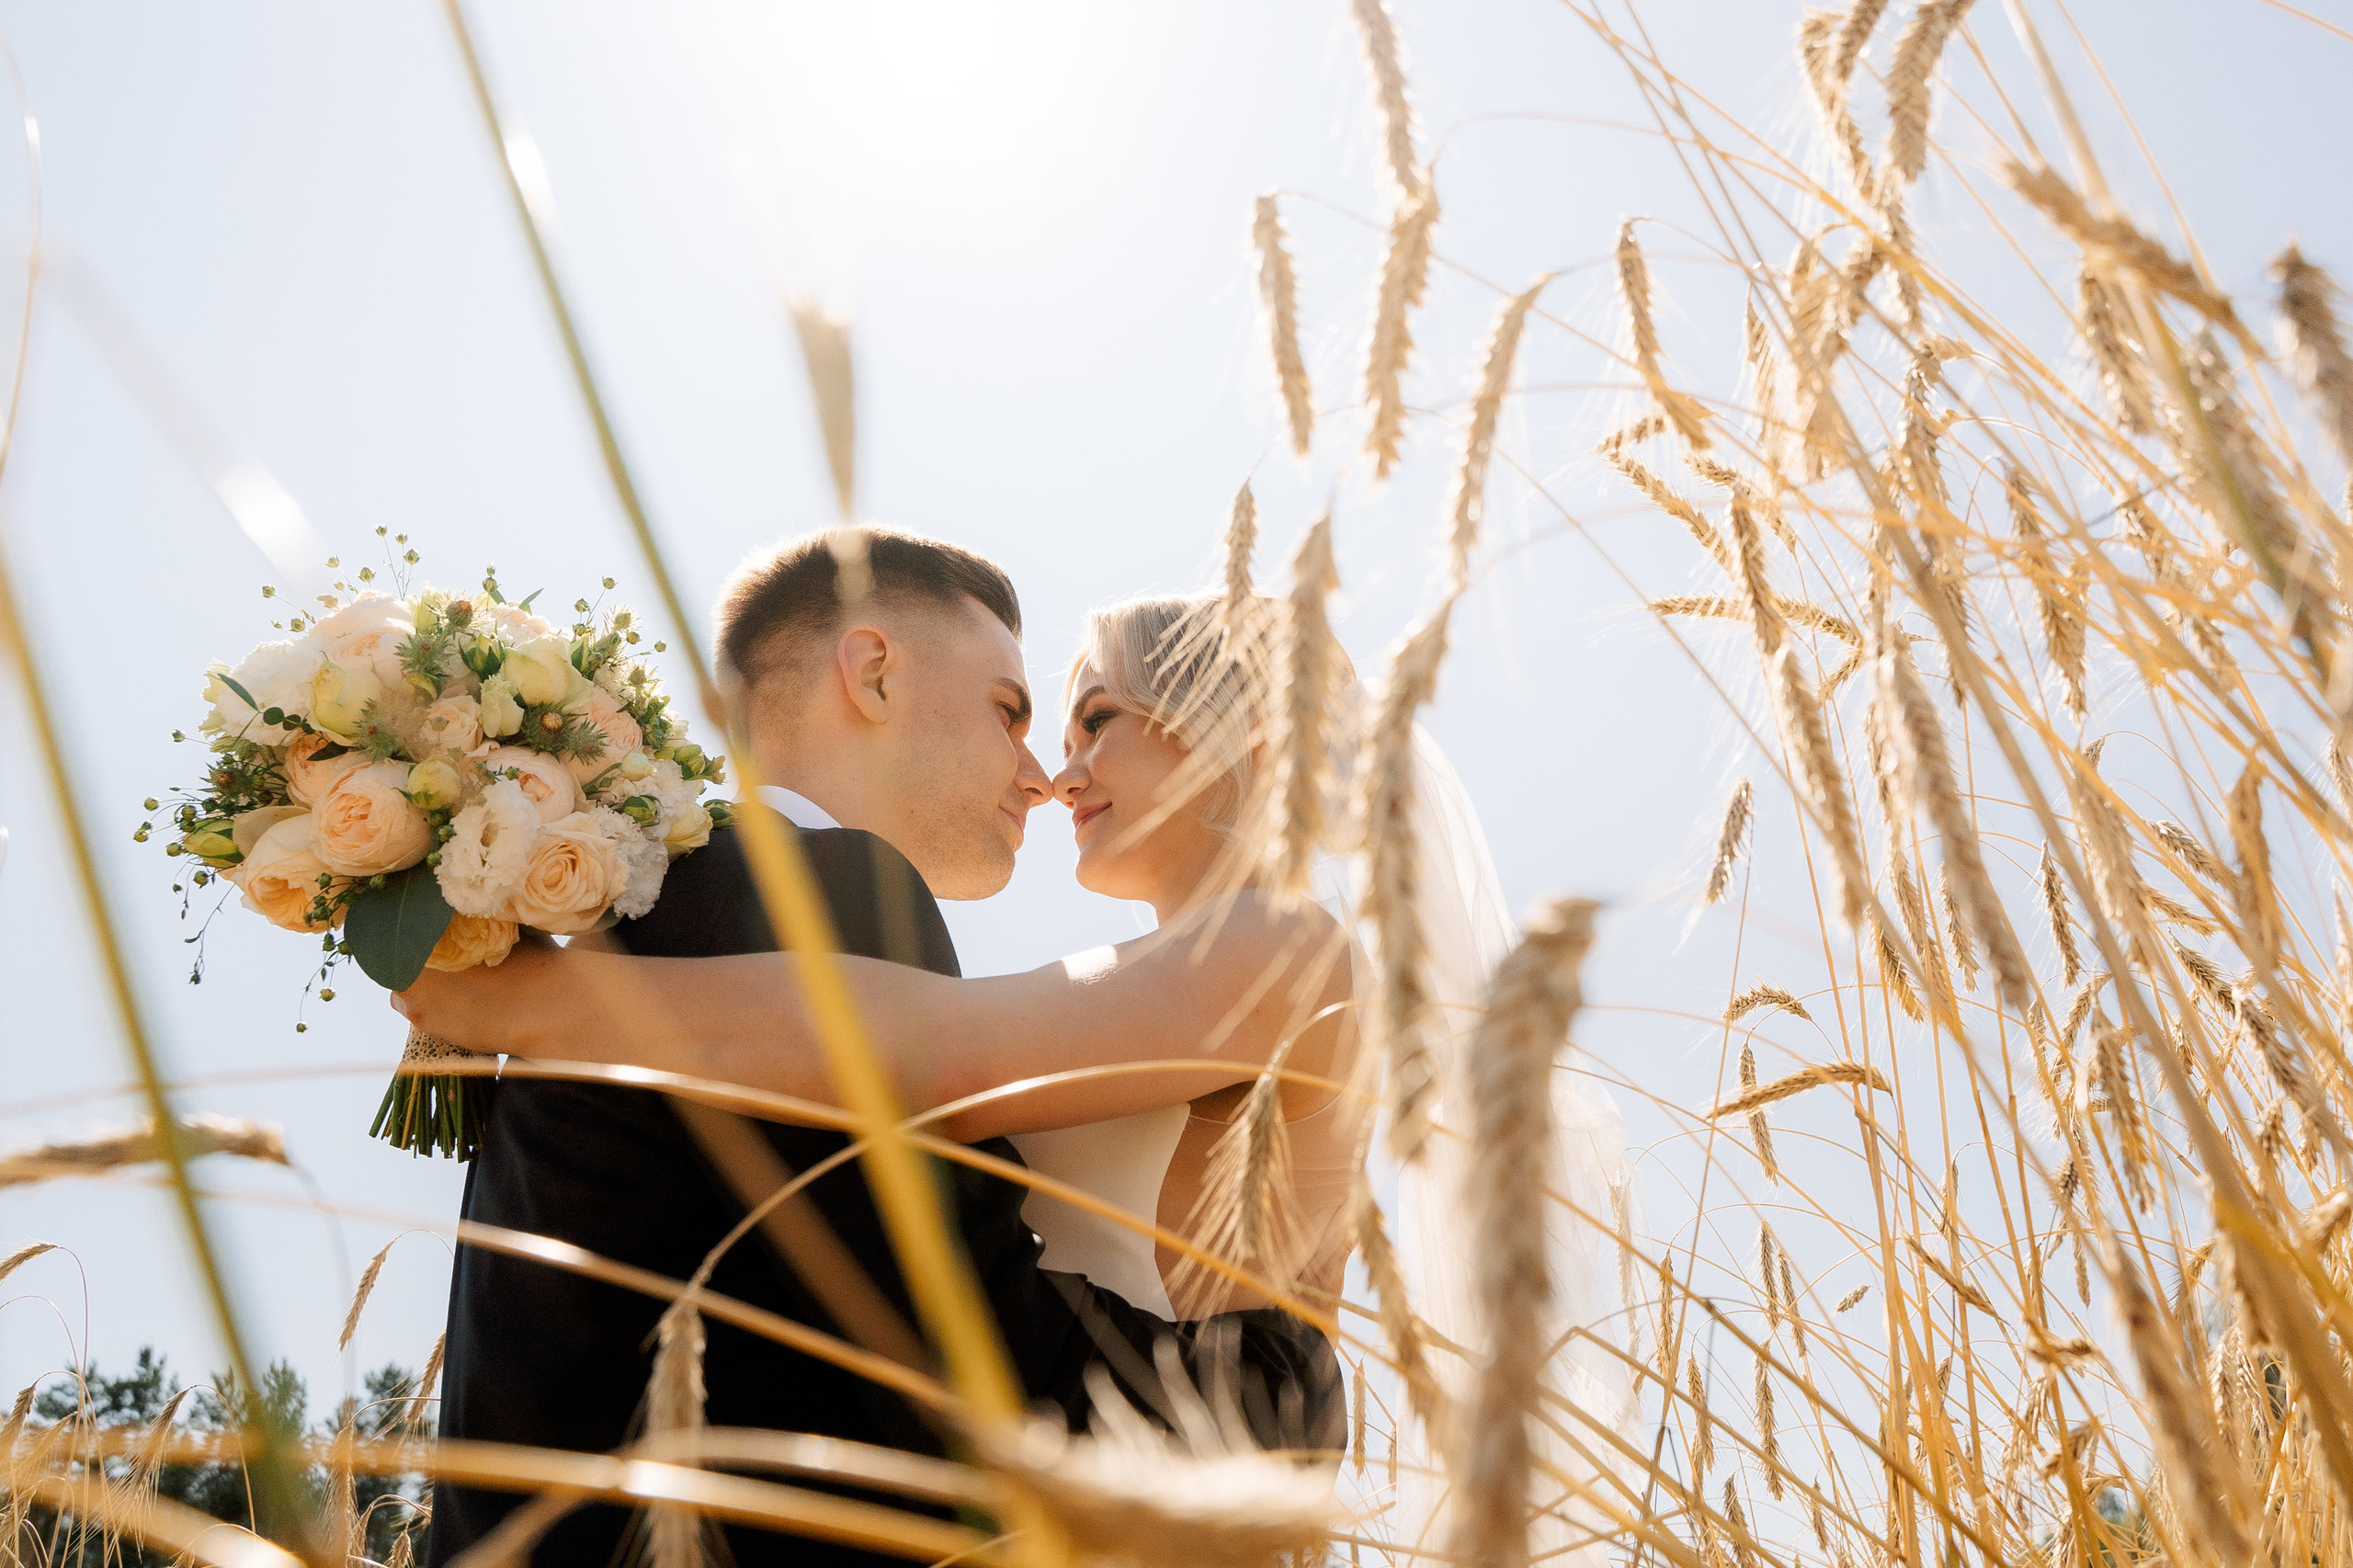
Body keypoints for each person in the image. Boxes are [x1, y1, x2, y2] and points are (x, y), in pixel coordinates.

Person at [414, 535, 1346, 1568]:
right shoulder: (805, 886)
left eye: (1094, 720)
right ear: (874, 671)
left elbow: (940, 1057)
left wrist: (513, 997)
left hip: (1205, 1432)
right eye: (1017, 710)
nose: (1049, 775)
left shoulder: (1281, 945)